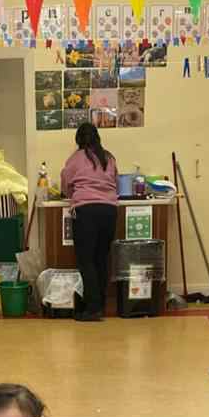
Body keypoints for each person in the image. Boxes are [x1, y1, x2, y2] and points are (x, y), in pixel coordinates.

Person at [60, 122, 118, 321]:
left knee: (86, 260)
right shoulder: (109, 157)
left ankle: (92, 309)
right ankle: (100, 305)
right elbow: (115, 183)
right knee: (101, 259)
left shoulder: (76, 158)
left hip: (86, 211)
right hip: (109, 211)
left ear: (78, 140)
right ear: (97, 137)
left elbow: (66, 184)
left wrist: (73, 194)